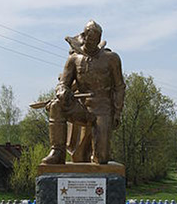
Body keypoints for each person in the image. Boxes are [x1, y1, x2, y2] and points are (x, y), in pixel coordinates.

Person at [42, 20, 125, 165]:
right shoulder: (74, 59)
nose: (92, 42)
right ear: (84, 37)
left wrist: (117, 112)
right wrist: (62, 92)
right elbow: (63, 84)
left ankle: (98, 154)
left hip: (102, 109)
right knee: (56, 105)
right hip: (81, 108)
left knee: (102, 158)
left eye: (96, 39)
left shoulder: (111, 59)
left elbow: (119, 87)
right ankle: (57, 152)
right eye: (90, 38)